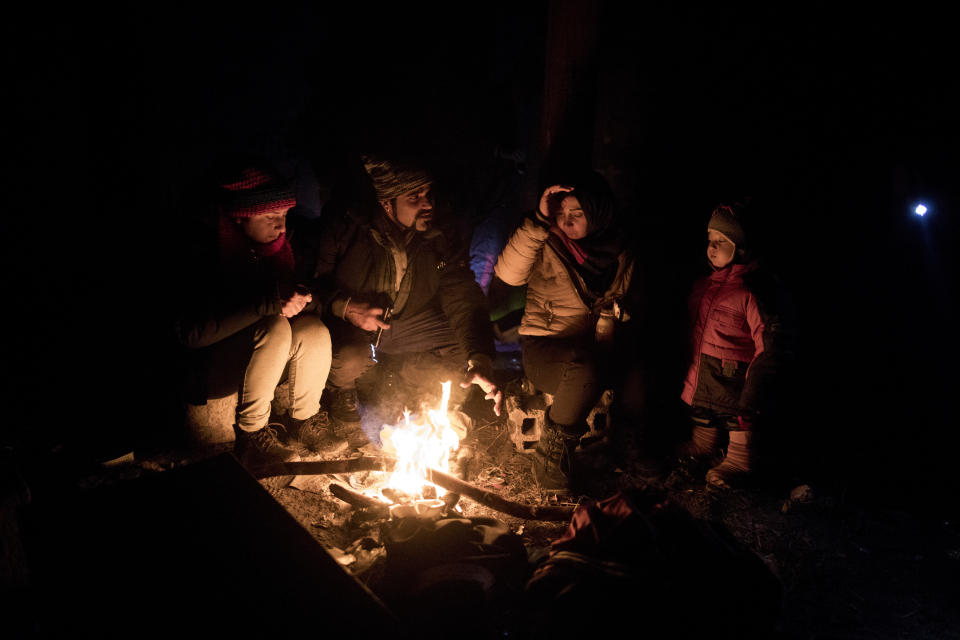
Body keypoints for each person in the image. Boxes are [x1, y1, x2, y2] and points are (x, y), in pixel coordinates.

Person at [309, 154, 502, 433]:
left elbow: (460, 292)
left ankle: (412, 381)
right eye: (414, 197)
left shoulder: (434, 235)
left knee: (467, 342)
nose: (427, 204)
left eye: (427, 194)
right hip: (352, 325)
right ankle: (342, 391)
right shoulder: (347, 227)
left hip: (405, 325)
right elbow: (314, 284)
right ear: (387, 203)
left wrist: (480, 357)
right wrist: (347, 307)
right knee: (350, 358)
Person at [173, 159, 342, 470]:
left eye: (284, 215)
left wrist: (303, 298)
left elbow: (300, 298)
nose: (281, 226)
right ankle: (251, 436)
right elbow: (191, 335)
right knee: (276, 326)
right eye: (270, 216)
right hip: (208, 367)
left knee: (314, 330)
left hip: (259, 356)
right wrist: (270, 304)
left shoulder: (279, 250)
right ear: (241, 217)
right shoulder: (204, 251)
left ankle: (303, 421)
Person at [493, 171, 635, 491]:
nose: (567, 221)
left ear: (598, 214)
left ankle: (636, 447)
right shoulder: (546, 240)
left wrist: (617, 317)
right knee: (582, 367)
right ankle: (552, 454)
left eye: (578, 213)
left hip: (594, 342)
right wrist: (540, 220)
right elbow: (509, 274)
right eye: (562, 213)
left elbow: (621, 299)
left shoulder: (619, 250)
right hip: (546, 348)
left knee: (636, 367)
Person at [677, 203, 793, 488]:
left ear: (741, 248)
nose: (711, 248)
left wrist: (758, 384)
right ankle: (704, 446)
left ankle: (739, 460)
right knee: (704, 408)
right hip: (704, 371)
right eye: (709, 240)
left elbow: (769, 341)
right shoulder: (705, 285)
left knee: (736, 416)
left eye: (721, 242)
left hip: (736, 377)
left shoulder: (753, 290)